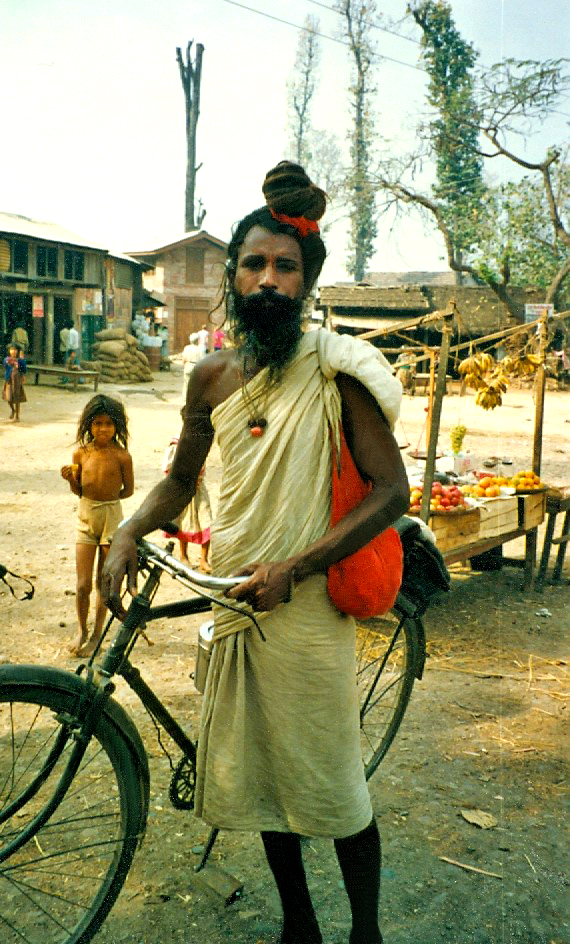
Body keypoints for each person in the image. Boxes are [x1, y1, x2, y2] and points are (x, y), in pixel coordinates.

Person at [102, 160, 408, 944]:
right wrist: (132, 530)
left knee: (335, 789)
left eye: (286, 266)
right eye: (254, 264)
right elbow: (179, 479)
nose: (269, 279)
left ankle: (365, 934)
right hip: (235, 605)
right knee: (268, 784)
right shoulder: (208, 378)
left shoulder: (335, 373)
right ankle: (299, 925)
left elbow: (390, 491)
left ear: (306, 281)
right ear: (232, 278)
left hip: (304, 615)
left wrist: (295, 567)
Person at [61, 394, 134, 657]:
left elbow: (129, 491)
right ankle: (81, 629)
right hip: (86, 515)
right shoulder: (80, 453)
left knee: (104, 580)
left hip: (111, 517)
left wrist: (108, 499)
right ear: (88, 425)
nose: (103, 429)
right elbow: (79, 491)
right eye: (97, 424)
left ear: (117, 426)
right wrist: (70, 480)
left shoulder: (122, 456)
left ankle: (96, 634)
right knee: (82, 584)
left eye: (108, 424)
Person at [162, 431, 212, 572]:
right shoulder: (177, 443)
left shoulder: (202, 440)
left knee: (206, 520)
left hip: (199, 489)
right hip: (182, 488)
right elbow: (168, 467)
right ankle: (184, 556)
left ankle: (204, 559)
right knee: (182, 522)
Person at [3, 344, 27, 422]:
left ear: (18, 351)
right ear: (9, 351)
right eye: (11, 349)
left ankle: (17, 416)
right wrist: (9, 362)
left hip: (17, 380)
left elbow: (23, 369)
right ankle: (13, 410)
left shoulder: (20, 360)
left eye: (15, 350)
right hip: (9, 379)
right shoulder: (6, 359)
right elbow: (5, 366)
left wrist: (23, 376)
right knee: (9, 398)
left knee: (17, 397)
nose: (13, 351)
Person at [181, 333, 201, 399]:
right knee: (195, 385)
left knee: (186, 384)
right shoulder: (199, 349)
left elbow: (184, 359)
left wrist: (183, 365)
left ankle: (185, 398)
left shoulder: (187, 348)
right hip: (196, 367)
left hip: (188, 366)